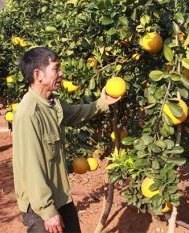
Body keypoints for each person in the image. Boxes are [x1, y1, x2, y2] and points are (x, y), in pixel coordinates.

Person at [12, 47, 121, 233]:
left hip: (60, 195)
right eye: (56, 68)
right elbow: (31, 168)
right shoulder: (28, 114)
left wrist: (102, 103)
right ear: (38, 74)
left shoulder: (53, 104)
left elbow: (77, 113)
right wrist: (47, 211)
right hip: (40, 206)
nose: (61, 73)